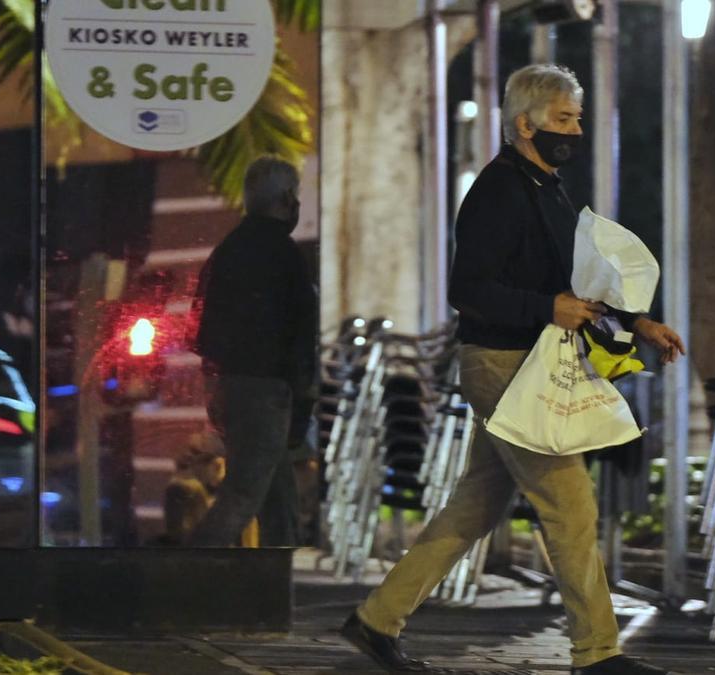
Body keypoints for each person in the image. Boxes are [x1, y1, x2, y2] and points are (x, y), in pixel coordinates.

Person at [341, 64, 684, 674]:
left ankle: (375, 620)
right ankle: (597, 653)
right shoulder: (500, 190)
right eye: (562, 119)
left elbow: (574, 285)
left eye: (577, 118)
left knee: (474, 507)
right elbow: (466, 287)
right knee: (570, 505)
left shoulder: (548, 187)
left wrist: (637, 324)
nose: (574, 130)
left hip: (524, 367)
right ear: (524, 124)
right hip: (503, 366)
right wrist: (543, 307)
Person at [188, 156, 317, 547]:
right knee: (243, 495)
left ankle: (275, 581)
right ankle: (186, 577)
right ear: (287, 200)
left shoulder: (229, 250)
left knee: (278, 499)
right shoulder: (284, 254)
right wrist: (303, 395)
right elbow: (300, 333)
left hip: (229, 384)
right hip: (264, 389)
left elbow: (201, 326)